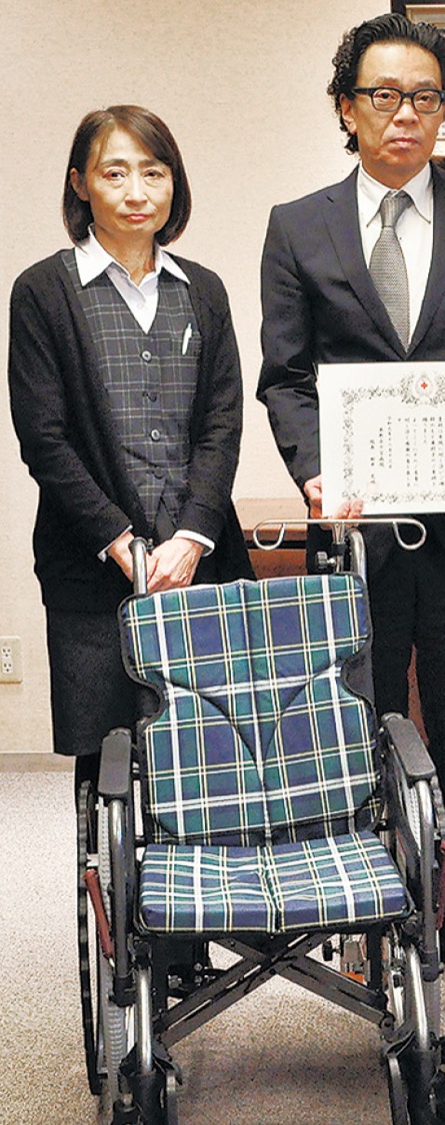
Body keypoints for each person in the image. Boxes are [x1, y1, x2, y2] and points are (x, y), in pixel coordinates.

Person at [258, 12, 445, 998]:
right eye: (383, 95)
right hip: (357, 532)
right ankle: (365, 917)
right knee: (359, 729)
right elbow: (285, 378)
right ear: (348, 107)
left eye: (424, 97)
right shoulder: (299, 224)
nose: (404, 114)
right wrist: (315, 471)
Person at [8, 105, 252, 795]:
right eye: (115, 172)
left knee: (215, 755)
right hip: (93, 569)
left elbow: (221, 423)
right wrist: (120, 541)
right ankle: (111, 901)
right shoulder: (43, 292)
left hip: (198, 561)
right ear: (81, 183)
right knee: (109, 761)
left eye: (154, 171)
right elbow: (44, 439)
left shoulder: (202, 290)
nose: (137, 190)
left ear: (174, 183)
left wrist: (192, 537)